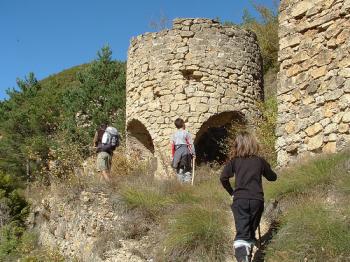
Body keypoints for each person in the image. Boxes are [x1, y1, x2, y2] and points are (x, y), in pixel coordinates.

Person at [220, 131, 277, 262]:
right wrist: (267, 169)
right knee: (250, 230)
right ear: (253, 144)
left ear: (237, 145)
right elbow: (273, 177)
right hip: (257, 200)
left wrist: (231, 192)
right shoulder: (260, 161)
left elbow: (223, 178)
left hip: (240, 200)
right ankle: (248, 254)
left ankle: (243, 257)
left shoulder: (234, 162)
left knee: (242, 232)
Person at [171, 118, 196, 183]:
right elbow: (190, 144)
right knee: (187, 169)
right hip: (185, 151)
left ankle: (180, 185)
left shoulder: (174, 134)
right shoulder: (186, 133)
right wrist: (193, 153)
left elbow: (173, 146)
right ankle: (187, 185)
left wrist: (173, 156)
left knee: (179, 169)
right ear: (183, 124)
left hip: (177, 152)